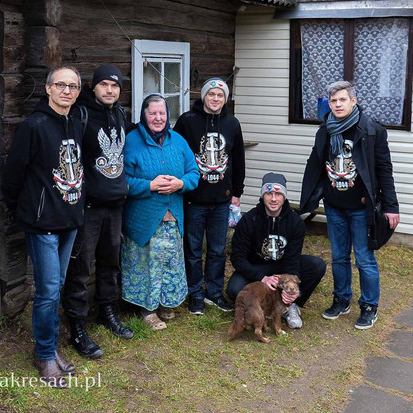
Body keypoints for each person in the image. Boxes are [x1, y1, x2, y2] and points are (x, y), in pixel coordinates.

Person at [1, 65, 85, 388]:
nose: (67, 91)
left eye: (73, 86)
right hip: (43, 224)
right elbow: (12, 176)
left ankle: (49, 349)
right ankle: (46, 355)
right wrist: (23, 211)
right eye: (61, 85)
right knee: (48, 292)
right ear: (48, 89)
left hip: (70, 222)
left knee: (56, 288)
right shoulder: (32, 126)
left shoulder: (76, 122)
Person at [299, 80, 400, 330]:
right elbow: (317, 166)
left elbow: (384, 170)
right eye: (333, 101)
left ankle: (369, 306)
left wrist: (391, 206)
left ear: (353, 101)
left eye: (342, 100)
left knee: (364, 259)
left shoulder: (371, 130)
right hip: (334, 207)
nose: (337, 104)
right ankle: (341, 299)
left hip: (361, 208)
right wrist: (312, 198)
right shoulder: (325, 131)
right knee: (339, 256)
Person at [61, 64, 133, 360]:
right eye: (104, 84)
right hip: (87, 208)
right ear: (93, 87)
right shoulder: (81, 114)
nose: (110, 90)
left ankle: (107, 312)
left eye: (114, 86)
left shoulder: (120, 115)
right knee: (80, 269)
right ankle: (77, 327)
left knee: (110, 263)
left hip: (115, 205)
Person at [121, 94, 200, 330]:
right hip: (144, 218)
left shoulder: (179, 142)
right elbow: (121, 180)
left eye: (162, 113)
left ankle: (167, 302)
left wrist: (181, 184)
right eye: (152, 113)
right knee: (147, 264)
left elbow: (194, 173)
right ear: (143, 115)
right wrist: (150, 186)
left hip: (173, 216)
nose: (158, 118)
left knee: (170, 262)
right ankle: (148, 309)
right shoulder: (132, 142)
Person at [174, 77, 245, 315]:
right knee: (193, 250)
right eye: (211, 94)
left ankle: (213, 293)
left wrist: (237, 192)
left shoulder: (232, 124)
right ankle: (195, 293)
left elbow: (238, 160)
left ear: (225, 99)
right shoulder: (187, 121)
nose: (216, 99)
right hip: (194, 198)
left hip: (222, 199)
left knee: (217, 250)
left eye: (220, 96)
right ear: (204, 96)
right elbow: (177, 154)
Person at [226, 173, 326, 329]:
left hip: (282, 267)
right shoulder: (249, 219)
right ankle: (263, 306)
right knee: (234, 289)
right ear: (263, 195)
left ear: (284, 197)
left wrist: (292, 288)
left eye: (278, 194)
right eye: (269, 193)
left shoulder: (295, 222)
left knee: (316, 265)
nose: (273, 199)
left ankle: (290, 304)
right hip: (256, 267)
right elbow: (238, 257)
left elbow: (292, 259)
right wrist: (261, 277)